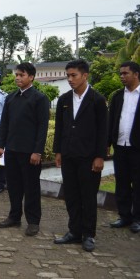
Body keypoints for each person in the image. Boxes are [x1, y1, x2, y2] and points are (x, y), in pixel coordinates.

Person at [52, 59, 108, 252]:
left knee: (88, 196)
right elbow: (59, 127)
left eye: (73, 75)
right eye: (68, 75)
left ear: (85, 75)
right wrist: (58, 151)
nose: (70, 79)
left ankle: (88, 234)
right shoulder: (64, 100)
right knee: (72, 195)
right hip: (68, 155)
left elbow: (103, 131)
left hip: (89, 157)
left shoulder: (97, 100)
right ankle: (74, 231)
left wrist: (100, 156)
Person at [0, 62, 50, 237]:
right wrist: (0, 145)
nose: (18, 77)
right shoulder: (11, 98)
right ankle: (14, 217)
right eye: (16, 75)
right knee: (14, 186)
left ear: (31, 77)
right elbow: (4, 124)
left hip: (30, 152)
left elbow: (42, 128)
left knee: (31, 188)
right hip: (11, 149)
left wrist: (37, 151)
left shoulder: (39, 99)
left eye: (22, 75)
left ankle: (33, 222)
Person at [108, 61, 140, 233]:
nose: (122, 76)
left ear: (136, 74)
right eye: (120, 73)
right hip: (120, 146)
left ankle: (137, 218)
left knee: (138, 184)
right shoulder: (118, 96)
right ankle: (124, 216)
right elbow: (111, 120)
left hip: (137, 148)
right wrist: (107, 143)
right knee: (122, 183)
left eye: (125, 73)